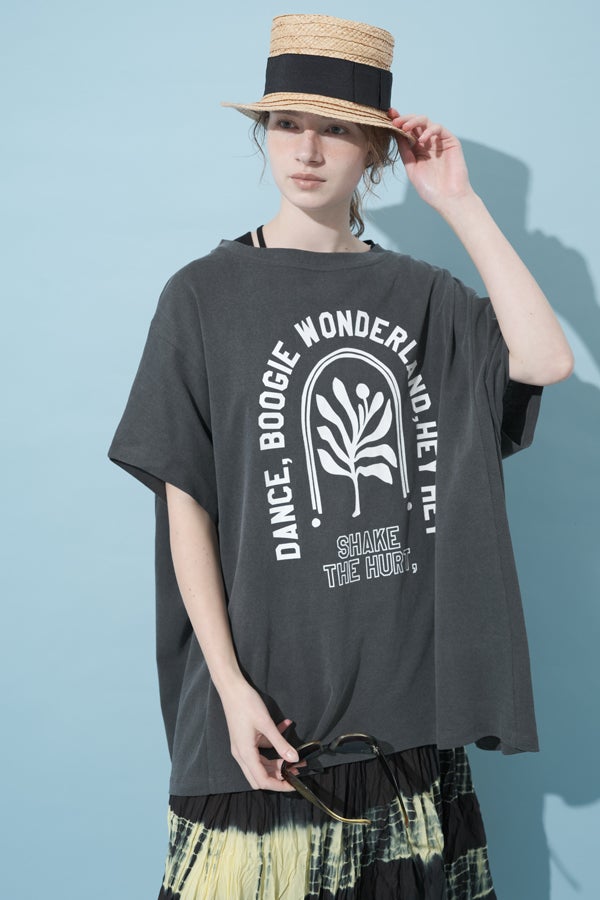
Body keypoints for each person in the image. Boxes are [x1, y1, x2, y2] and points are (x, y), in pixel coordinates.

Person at [108, 13, 573, 900]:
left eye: (337, 129)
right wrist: (230, 689)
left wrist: (460, 203)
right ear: (265, 135)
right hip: (267, 724)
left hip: (403, 726)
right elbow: (185, 507)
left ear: (377, 152)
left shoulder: (422, 297)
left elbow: (544, 360)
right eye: (288, 124)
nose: (308, 150)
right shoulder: (203, 296)